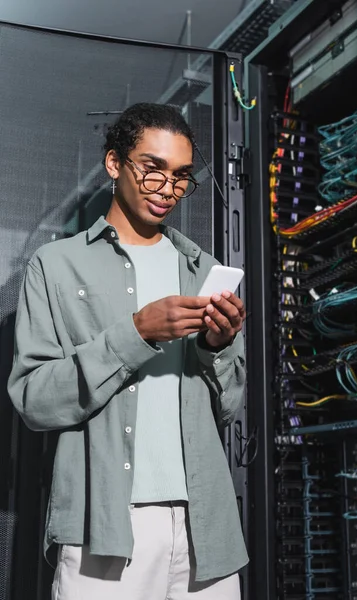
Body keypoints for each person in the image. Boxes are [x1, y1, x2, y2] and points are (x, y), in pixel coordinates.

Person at [8, 103, 248, 600]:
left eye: (181, 176)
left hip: (207, 529)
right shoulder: (55, 266)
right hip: (105, 527)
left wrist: (215, 348)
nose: (168, 189)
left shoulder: (203, 270)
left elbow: (229, 408)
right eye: (152, 168)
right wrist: (136, 333)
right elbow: (33, 401)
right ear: (114, 163)